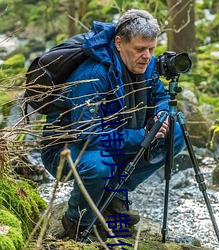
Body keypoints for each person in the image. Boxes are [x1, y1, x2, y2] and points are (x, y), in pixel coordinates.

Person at [41, 9, 185, 242]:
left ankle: (113, 194)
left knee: (175, 133)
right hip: (67, 150)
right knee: (100, 166)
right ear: (119, 43)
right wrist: (142, 135)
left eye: (151, 49)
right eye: (140, 49)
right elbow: (87, 135)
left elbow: (159, 96)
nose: (147, 56)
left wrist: (161, 114)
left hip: (115, 138)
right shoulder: (93, 74)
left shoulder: (145, 64)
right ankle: (77, 221)